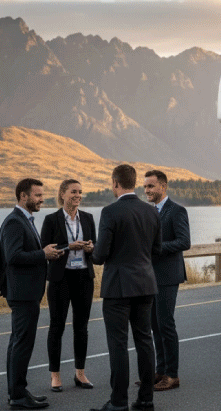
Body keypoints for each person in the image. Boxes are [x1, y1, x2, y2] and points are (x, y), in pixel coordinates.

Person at [90, 165, 161, 411]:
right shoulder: (151, 211)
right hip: (145, 284)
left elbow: (100, 256)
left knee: (118, 344)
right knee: (145, 341)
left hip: (118, 287)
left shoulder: (110, 212)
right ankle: (146, 399)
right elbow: (157, 249)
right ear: (134, 183)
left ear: (115, 183)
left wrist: (91, 250)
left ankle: (119, 402)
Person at [1, 178, 63, 409]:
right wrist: (43, 254)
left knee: (18, 343)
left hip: (27, 292)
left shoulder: (24, 219)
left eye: (41, 195)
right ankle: (18, 396)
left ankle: (17, 391)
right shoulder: (15, 222)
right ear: (23, 196)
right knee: (22, 344)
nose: (42, 199)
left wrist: (45, 254)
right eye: (37, 195)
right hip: (23, 294)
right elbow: (13, 256)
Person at [40, 179, 96, 393]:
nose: (78, 195)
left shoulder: (88, 218)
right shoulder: (51, 219)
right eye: (73, 192)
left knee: (82, 327)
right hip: (59, 279)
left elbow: (96, 245)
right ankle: (55, 376)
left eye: (80, 192)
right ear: (62, 194)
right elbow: (45, 249)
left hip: (83, 277)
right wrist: (68, 246)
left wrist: (90, 248)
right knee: (57, 326)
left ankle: (80, 373)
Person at [143, 170, 191, 391]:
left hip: (168, 276)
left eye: (151, 186)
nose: (147, 191)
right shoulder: (149, 212)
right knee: (155, 325)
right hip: (150, 276)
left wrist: (156, 248)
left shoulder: (177, 211)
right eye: (145, 187)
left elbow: (184, 242)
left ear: (163, 186)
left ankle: (172, 375)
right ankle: (160, 371)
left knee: (165, 324)